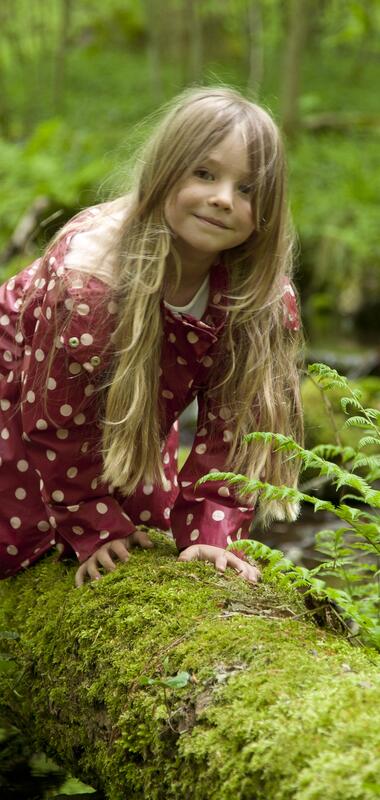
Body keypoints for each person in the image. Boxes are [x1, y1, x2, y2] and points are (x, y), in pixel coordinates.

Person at [0, 86, 302, 588]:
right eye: (204, 174)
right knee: (23, 528)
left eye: (248, 189)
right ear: (164, 172)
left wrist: (211, 528)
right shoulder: (89, 282)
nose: (223, 198)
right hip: (24, 383)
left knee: (142, 515)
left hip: (139, 391)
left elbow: (240, 422)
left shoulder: (259, 295)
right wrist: (90, 519)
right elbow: (57, 424)